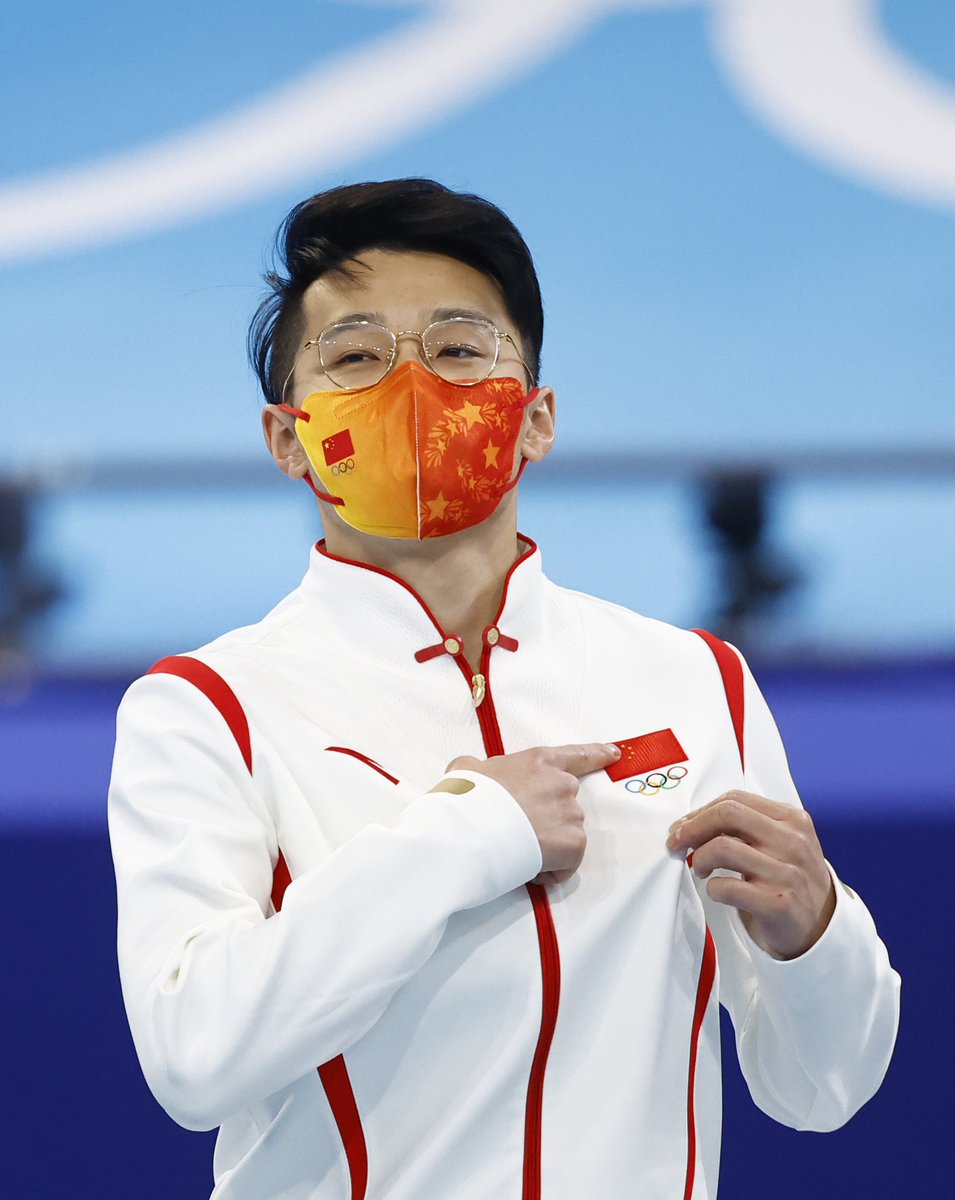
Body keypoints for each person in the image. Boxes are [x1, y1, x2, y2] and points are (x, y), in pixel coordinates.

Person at [108, 178, 900, 1200]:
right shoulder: (208, 707)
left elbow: (823, 1087)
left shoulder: (695, 679)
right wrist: (467, 833)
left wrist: (817, 931)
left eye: (458, 349)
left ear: (536, 418)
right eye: (355, 357)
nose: (412, 385)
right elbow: (194, 1055)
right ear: (286, 437)